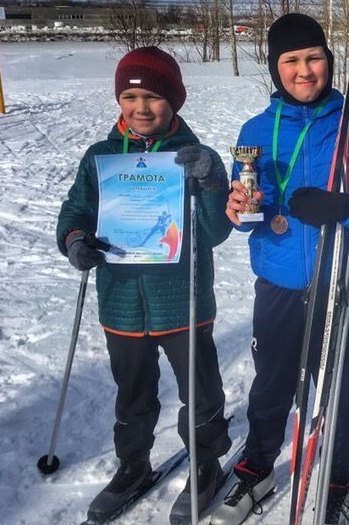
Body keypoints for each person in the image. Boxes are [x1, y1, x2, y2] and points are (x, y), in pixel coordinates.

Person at [215, 13, 349, 525]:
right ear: (276, 68)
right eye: (291, 61)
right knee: (270, 384)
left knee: (339, 390)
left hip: (339, 282)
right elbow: (244, 214)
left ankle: (338, 479)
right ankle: (258, 468)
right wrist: (236, 210)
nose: (304, 70)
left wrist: (345, 208)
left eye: (314, 57)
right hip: (277, 284)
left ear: (329, 60)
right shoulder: (255, 132)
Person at [56, 46, 233, 524]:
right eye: (130, 96)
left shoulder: (195, 158)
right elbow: (76, 211)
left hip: (183, 301)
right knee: (132, 393)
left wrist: (213, 182)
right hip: (122, 304)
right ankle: (133, 465)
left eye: (153, 96)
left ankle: (206, 464)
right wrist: (75, 240)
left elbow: (216, 232)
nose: (141, 107)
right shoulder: (100, 157)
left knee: (199, 389)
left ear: (173, 101)